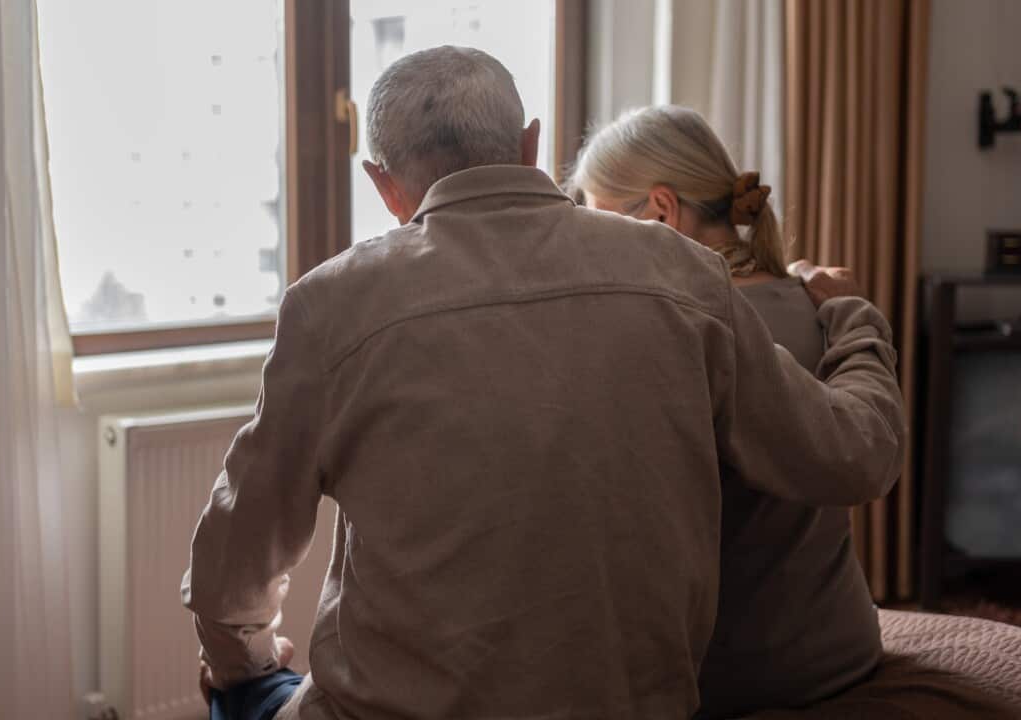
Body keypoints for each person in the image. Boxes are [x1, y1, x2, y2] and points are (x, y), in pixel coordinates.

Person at [182, 46, 905, 720]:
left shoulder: (329, 304)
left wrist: (247, 663)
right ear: (531, 145)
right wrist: (854, 319)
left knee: (237, 684)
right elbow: (856, 454)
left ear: (383, 185)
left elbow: (231, 566)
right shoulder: (683, 272)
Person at [569, 104, 886, 717]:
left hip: (725, 675)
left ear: (661, 210)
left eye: (598, 220)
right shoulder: (820, 301)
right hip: (841, 647)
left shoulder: (672, 332)